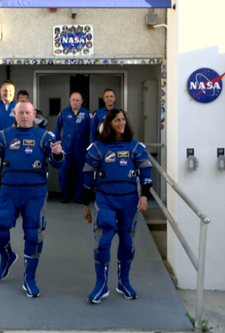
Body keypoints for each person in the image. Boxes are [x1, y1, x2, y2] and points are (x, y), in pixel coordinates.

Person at [0, 100, 64, 298]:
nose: (24, 116)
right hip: (9, 190)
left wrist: (58, 154)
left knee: (33, 233)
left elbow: (57, 164)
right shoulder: (3, 136)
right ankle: (7, 256)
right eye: (21, 113)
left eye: (28, 113)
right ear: (14, 115)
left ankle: (29, 279)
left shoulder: (45, 136)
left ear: (34, 114)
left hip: (35, 192)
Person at [82, 109, 153, 304]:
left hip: (129, 201)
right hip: (105, 199)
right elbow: (88, 179)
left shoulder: (135, 146)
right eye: (117, 120)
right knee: (103, 241)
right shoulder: (97, 148)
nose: (121, 123)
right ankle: (101, 285)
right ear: (109, 123)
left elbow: (146, 172)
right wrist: (86, 204)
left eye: (123, 119)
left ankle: (123, 282)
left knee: (127, 242)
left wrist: (145, 196)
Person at [53, 91, 90, 204]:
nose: (75, 102)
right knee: (63, 170)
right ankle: (65, 195)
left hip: (81, 146)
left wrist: (90, 145)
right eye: (73, 100)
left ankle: (79, 195)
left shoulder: (87, 114)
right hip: (66, 146)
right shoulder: (63, 113)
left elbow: (92, 131)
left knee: (81, 171)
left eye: (77, 100)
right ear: (70, 100)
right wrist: (57, 143)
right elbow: (57, 129)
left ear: (82, 101)